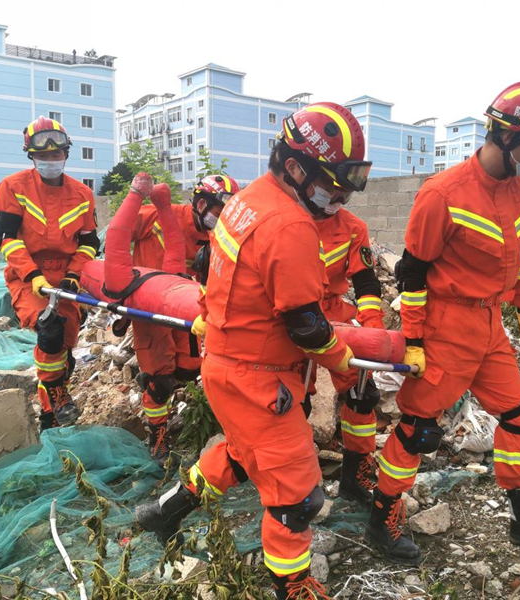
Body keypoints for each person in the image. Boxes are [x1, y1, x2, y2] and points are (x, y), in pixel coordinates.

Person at [135, 102, 372, 599]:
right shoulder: (290, 226)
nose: (342, 194)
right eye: (335, 182)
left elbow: (216, 274)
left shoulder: (247, 202)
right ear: (294, 167)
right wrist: (343, 362)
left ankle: (165, 512)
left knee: (244, 454)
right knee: (298, 498)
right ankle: (292, 586)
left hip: (227, 362)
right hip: (260, 377)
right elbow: (307, 325)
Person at [368, 82, 520, 564]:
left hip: (489, 324)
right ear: (506, 137)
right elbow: (412, 271)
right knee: (418, 429)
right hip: (446, 327)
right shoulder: (443, 194)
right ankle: (383, 517)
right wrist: (414, 338)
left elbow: (519, 254)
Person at [0, 116, 99, 431]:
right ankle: (59, 396)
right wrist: (32, 275)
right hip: (28, 278)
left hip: (66, 278)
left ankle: (49, 413)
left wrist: (74, 274)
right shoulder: (13, 187)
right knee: (48, 331)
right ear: (32, 156)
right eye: (43, 156)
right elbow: (6, 238)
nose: (50, 161)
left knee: (62, 352)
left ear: (66, 154)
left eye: (56, 155)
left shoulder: (82, 194)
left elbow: (90, 241)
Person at [129, 174, 239, 462]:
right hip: (149, 308)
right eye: (220, 211)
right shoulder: (157, 216)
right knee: (160, 379)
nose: (223, 218)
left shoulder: (220, 236)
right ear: (202, 203)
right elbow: (117, 232)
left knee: (190, 370)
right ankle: (158, 439)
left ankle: (160, 396)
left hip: (189, 307)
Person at [307, 204, 385, 507]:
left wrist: (373, 327)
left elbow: (365, 280)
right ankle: (294, 479)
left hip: (333, 311)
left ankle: (356, 477)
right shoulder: (283, 218)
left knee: (362, 394)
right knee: (291, 401)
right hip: (292, 310)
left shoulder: (352, 227)